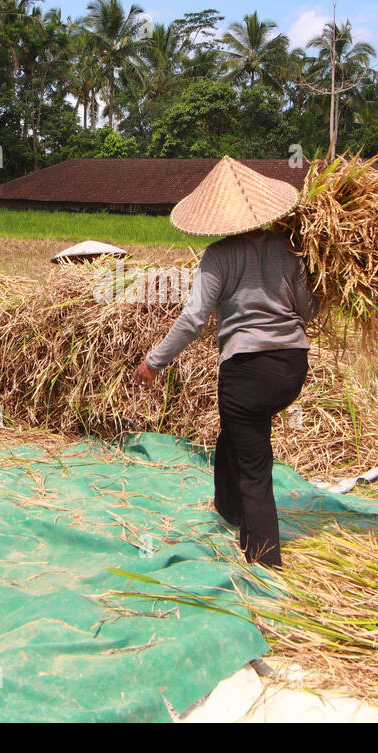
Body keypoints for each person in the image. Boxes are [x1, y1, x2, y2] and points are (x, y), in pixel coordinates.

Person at [134, 157, 316, 569]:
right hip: (291, 367)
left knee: (254, 465)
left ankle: (265, 560)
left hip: (246, 371)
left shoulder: (218, 256)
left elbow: (194, 319)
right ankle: (228, 507)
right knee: (235, 435)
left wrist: (153, 362)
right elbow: (307, 310)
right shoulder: (290, 249)